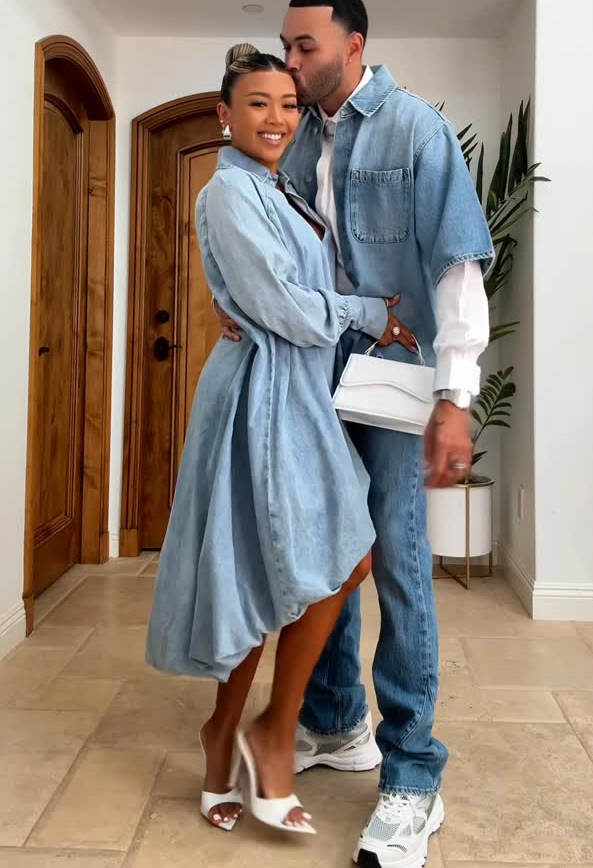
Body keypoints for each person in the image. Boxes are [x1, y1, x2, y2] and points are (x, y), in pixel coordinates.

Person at [219, 0, 493, 868]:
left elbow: (456, 266)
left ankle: (413, 772)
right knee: (325, 552)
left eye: (305, 47)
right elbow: (276, 252)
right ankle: (337, 724)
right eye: (286, 46)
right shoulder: (296, 137)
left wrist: (456, 396)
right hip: (312, 374)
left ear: (354, 44)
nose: (292, 62)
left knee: (400, 563)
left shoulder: (416, 130)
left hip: (398, 377)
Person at [146, 43, 415, 838]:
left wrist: (358, 309)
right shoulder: (229, 192)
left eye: (288, 104)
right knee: (269, 565)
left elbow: (296, 290)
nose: (276, 118)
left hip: (299, 390)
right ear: (223, 115)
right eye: (258, 103)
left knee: (330, 556)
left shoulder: (280, 187)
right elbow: (287, 309)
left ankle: (255, 729)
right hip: (259, 394)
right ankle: (239, 737)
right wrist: (366, 315)